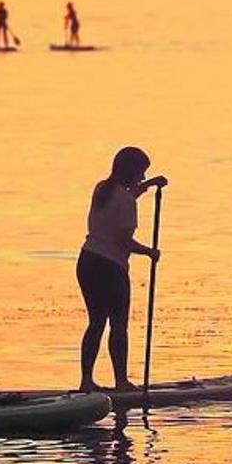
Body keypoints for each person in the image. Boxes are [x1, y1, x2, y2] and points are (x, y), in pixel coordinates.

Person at [77, 147, 166, 392]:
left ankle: (86, 380)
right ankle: (122, 382)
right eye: (141, 172)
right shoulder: (125, 201)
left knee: (96, 322)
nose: (142, 176)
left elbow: (126, 196)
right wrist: (150, 252)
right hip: (110, 267)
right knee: (118, 325)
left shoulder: (101, 189)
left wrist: (150, 184)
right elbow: (123, 241)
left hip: (87, 261)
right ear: (131, 171)